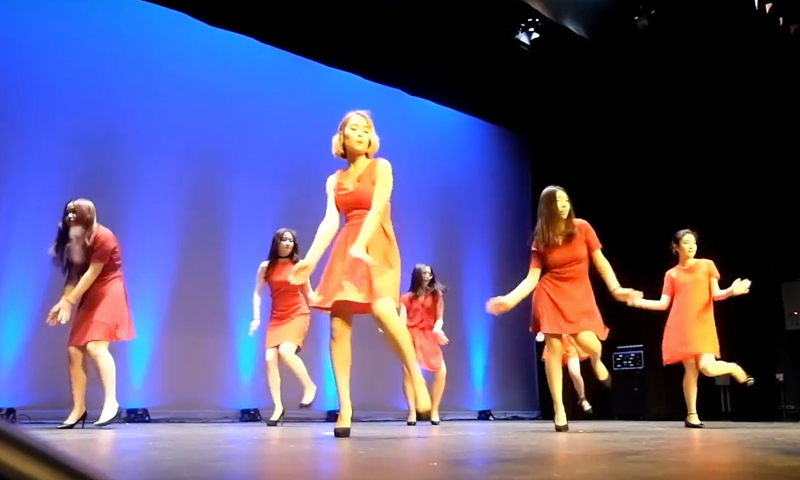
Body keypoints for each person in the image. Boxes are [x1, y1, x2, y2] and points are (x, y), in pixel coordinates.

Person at [288, 110, 432, 438]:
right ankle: (345, 407)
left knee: (383, 309)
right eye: (354, 129)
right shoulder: (334, 180)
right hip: (348, 245)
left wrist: (362, 244)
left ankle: (416, 375)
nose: (361, 134)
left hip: (377, 243)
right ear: (341, 137)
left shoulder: (382, 167)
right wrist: (310, 260)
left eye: (366, 129)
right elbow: (330, 222)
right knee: (338, 326)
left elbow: (378, 208)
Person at [485, 185, 641, 432]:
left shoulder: (582, 227)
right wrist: (509, 300)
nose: (564, 205)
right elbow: (532, 278)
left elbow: (601, 261)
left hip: (579, 294)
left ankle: (596, 361)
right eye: (558, 201)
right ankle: (559, 408)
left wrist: (616, 289)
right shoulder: (541, 238)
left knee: (591, 344)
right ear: (547, 207)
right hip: (550, 294)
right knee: (554, 348)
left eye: (566, 200)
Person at [627, 229, 754, 428]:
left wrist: (731, 291)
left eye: (693, 242)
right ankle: (692, 415)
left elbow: (716, 294)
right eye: (686, 242)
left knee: (707, 367)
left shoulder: (707, 265)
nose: (691, 246)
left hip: (702, 322)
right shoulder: (672, 274)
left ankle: (733, 368)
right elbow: (663, 303)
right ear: (676, 247)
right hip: (681, 325)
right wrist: (639, 303)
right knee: (691, 369)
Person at [47, 199, 135, 429]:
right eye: (68, 212)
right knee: (74, 350)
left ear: (87, 213)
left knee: (96, 347)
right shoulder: (75, 239)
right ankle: (78, 409)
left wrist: (70, 301)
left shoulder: (104, 236)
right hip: (89, 293)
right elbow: (74, 276)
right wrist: (63, 302)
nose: (70, 216)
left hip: (109, 291)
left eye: (75, 212)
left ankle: (111, 402)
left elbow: (92, 273)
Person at [249, 228, 318, 427]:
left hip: (297, 313)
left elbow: (309, 293)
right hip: (277, 317)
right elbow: (257, 293)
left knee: (286, 352)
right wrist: (256, 318)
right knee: (269, 359)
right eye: (284, 240)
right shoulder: (266, 267)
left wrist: (324, 304)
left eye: (291, 240)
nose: (288, 243)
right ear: (277, 242)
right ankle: (278, 407)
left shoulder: (298, 266)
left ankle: (309, 386)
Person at [398, 264, 449, 426]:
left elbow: (439, 318)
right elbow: (402, 321)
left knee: (441, 371)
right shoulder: (405, 298)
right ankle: (412, 412)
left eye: (429, 273)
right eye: (424, 273)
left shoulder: (437, 296)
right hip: (410, 336)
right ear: (417, 276)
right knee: (408, 373)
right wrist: (391, 328)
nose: (427, 276)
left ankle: (434, 410)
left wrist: (437, 329)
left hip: (428, 335)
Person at [535, 332, 593, 414]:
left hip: (569, 343)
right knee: (555, 377)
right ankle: (558, 406)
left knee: (574, 372)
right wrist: (542, 333)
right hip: (554, 344)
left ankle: (582, 398)